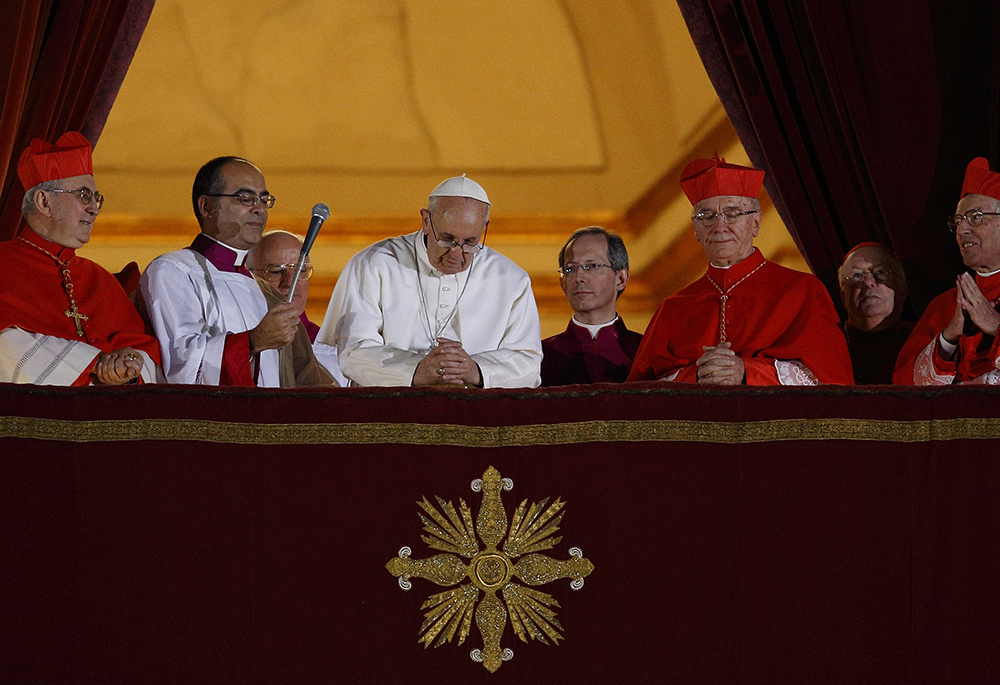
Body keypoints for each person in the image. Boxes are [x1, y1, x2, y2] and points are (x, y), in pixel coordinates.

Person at [627, 154, 853, 385]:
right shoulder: (673, 308)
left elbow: (830, 380)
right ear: (695, 229)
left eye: (732, 214)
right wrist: (697, 375)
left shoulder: (802, 290)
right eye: (707, 216)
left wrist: (746, 371)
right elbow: (640, 392)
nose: (719, 226)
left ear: (755, 223)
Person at [318, 174, 541, 387]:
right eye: (447, 239)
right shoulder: (375, 264)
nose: (456, 253)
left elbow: (528, 364)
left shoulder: (511, 279)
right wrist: (415, 370)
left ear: (484, 228)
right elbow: (353, 351)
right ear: (426, 221)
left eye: (469, 242)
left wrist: (476, 371)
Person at [139, 156, 333, 387]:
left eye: (264, 199)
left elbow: (305, 377)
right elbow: (182, 365)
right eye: (246, 198)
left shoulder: (267, 292)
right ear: (207, 206)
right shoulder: (173, 271)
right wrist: (252, 342)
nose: (259, 209)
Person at [0, 131, 161, 385]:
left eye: (96, 199)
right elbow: (6, 348)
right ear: (44, 201)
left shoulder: (101, 279)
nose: (94, 209)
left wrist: (130, 363)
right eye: (84, 195)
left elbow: (144, 350)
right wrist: (95, 364)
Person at [894, 157, 1000, 384]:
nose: (962, 229)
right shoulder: (943, 305)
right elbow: (904, 387)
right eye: (958, 221)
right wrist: (948, 337)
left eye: (975, 217)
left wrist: (995, 326)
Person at [541, 226, 642, 385]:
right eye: (570, 269)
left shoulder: (645, 353)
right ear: (563, 284)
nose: (579, 277)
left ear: (621, 279)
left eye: (592, 266)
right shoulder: (540, 356)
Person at [247, 229, 348, 386]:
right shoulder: (242, 345)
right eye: (276, 271)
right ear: (250, 276)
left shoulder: (338, 352)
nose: (289, 283)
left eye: (300, 271)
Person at [837, 242, 914, 384]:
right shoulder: (829, 342)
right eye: (856, 275)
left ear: (902, 291)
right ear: (844, 298)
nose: (868, 282)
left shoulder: (920, 339)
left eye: (880, 272)